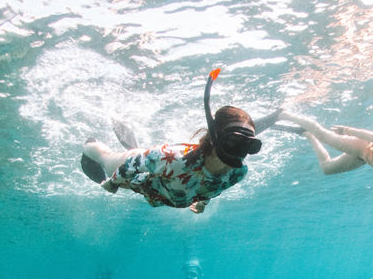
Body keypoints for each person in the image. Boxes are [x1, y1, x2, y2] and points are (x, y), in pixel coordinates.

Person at [80, 69, 281, 213]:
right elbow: (131, 165)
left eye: (250, 146)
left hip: (157, 184)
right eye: (235, 142)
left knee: (146, 157)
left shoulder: (239, 172)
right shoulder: (172, 159)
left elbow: (215, 185)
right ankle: (89, 145)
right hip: (136, 172)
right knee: (105, 157)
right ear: (214, 137)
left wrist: (203, 202)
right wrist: (112, 183)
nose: (241, 152)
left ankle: (138, 149)